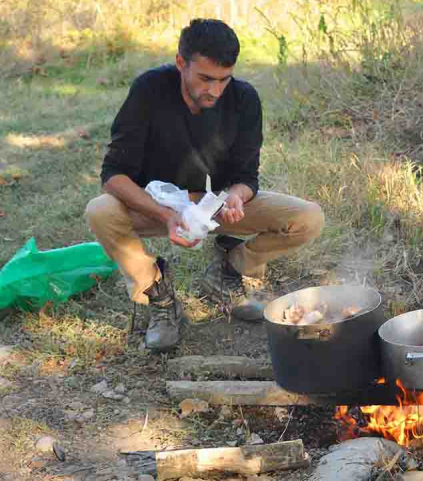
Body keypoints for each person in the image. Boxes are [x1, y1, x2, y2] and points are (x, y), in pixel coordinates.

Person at [85, 19, 324, 352]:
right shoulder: (149, 90)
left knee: (308, 218)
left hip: (217, 204)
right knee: (99, 210)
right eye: (205, 78)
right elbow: (113, 175)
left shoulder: (244, 99)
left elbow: (246, 175)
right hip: (158, 204)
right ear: (181, 63)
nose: (214, 89)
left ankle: (229, 268)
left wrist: (237, 198)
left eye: (223, 79)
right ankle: (159, 294)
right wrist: (166, 216)